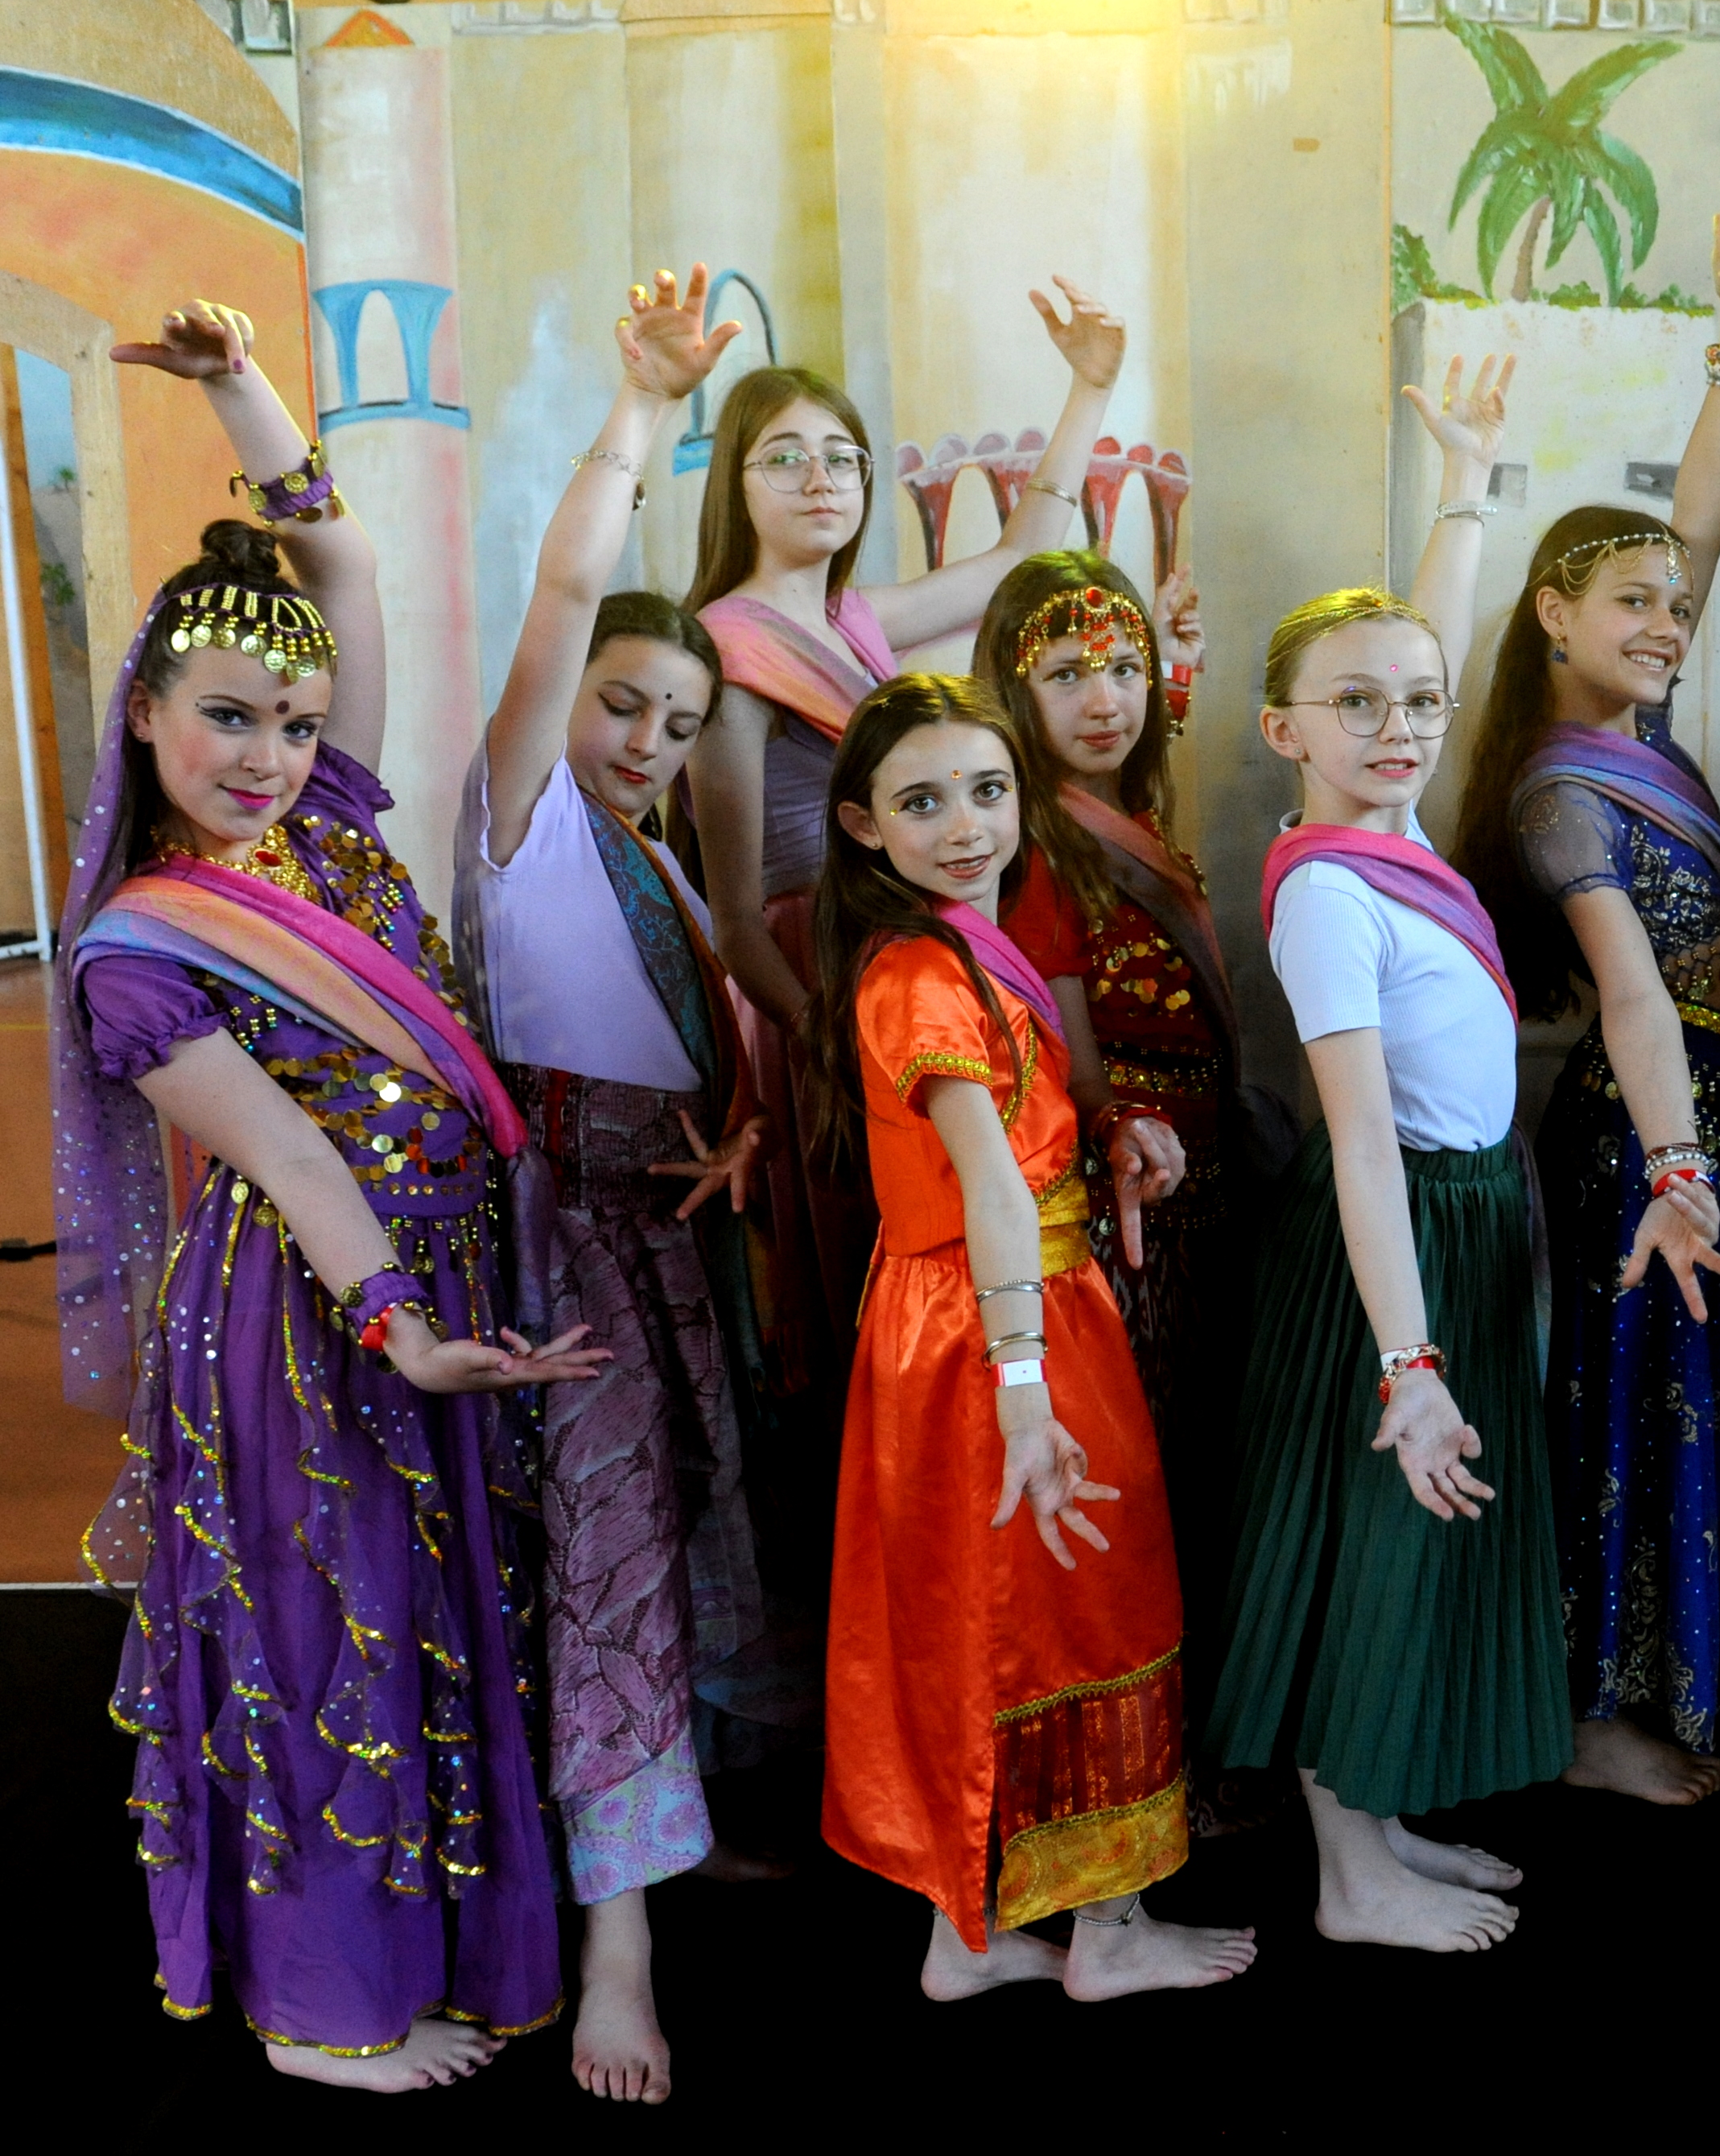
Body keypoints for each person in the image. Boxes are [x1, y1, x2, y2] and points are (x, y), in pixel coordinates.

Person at [60, 300, 608, 2089]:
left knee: (447, 1623)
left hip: (444, 1279)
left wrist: (241, 392)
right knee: (325, 1628)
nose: (267, 755)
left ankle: (431, 1951)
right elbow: (293, 1157)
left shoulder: (334, 827)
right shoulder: (141, 948)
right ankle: (318, 2005)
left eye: (293, 722)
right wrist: (401, 1324)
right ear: (146, 714)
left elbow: (346, 567)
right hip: (309, 1313)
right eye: (226, 717)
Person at [802, 672, 1256, 1995]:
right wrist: (1019, 1382)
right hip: (997, 1324)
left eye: (987, 791)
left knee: (989, 1614)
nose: (965, 826)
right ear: (861, 824)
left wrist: (1112, 1134)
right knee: (1079, 1606)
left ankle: (967, 1933)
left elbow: (1027, 1144)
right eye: (923, 801)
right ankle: (1106, 1930)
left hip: (996, 1309)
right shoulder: (920, 975)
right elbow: (992, 1186)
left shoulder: (959, 948)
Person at [448, 267, 773, 2102]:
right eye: (622, 704)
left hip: (671, 1259)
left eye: (678, 719)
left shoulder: (660, 873)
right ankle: (615, 1955)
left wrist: (732, 1139)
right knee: (608, 1581)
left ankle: (674, 1839)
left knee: (688, 1547)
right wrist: (641, 409)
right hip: (567, 1268)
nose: (645, 738)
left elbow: (693, 1062)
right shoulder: (526, 827)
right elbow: (567, 594)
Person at [679, 281, 1131, 1565]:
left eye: (841, 457)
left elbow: (1022, 557)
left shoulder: (855, 618)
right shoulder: (725, 650)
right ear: (735, 485)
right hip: (826, 992)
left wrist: (1089, 388)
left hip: (909, 957)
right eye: (785, 458)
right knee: (882, 1277)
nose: (820, 480)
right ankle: (912, 1559)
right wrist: (835, 1047)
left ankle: (998, 1513)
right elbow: (735, 915)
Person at [1440, 182, 1720, 1803]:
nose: (1662, 623)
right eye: (1628, 603)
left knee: (1692, 1410)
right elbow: (1636, 996)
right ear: (1551, 614)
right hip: (1642, 1139)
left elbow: (1695, 524)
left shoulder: (1638, 738)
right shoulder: (1556, 790)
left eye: (1673, 607)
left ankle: (1676, 1691)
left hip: (1712, 1124)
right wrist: (1675, 1159)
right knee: (1623, 1422)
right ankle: (1587, 1719)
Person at [1205, 589, 1569, 1952]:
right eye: (1354, 703)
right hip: (1388, 1239)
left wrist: (1465, 497)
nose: (1397, 726)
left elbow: (1427, 634)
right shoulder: (1326, 892)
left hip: (1460, 1221)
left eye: (1420, 699)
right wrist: (1406, 1362)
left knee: (1416, 1546)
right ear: (1283, 729)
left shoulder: (1394, 836)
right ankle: (1348, 1873)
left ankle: (1380, 1820)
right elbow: (1358, 1138)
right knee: (1357, 1542)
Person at [973, 551, 1255, 1714]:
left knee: (1199, 1460)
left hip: (1201, 1184)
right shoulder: (1035, 842)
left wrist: (1174, 667)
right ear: (1013, 690)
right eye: (1067, 674)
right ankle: (1145, 1738)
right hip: (1130, 1209)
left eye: (1125, 668)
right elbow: (1080, 1066)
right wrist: (1122, 1122)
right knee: (1148, 1468)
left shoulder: (1124, 819)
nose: (1107, 699)